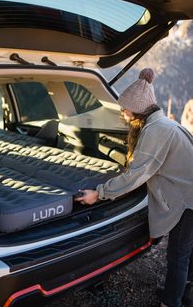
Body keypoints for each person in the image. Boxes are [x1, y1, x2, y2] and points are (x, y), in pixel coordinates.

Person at [75, 68, 193, 307]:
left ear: (138, 109)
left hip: (188, 201)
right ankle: (182, 292)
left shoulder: (156, 131)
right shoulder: (165, 124)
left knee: (178, 255)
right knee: (188, 252)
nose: (123, 113)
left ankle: (171, 301)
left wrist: (99, 193)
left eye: (125, 108)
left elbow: (135, 176)